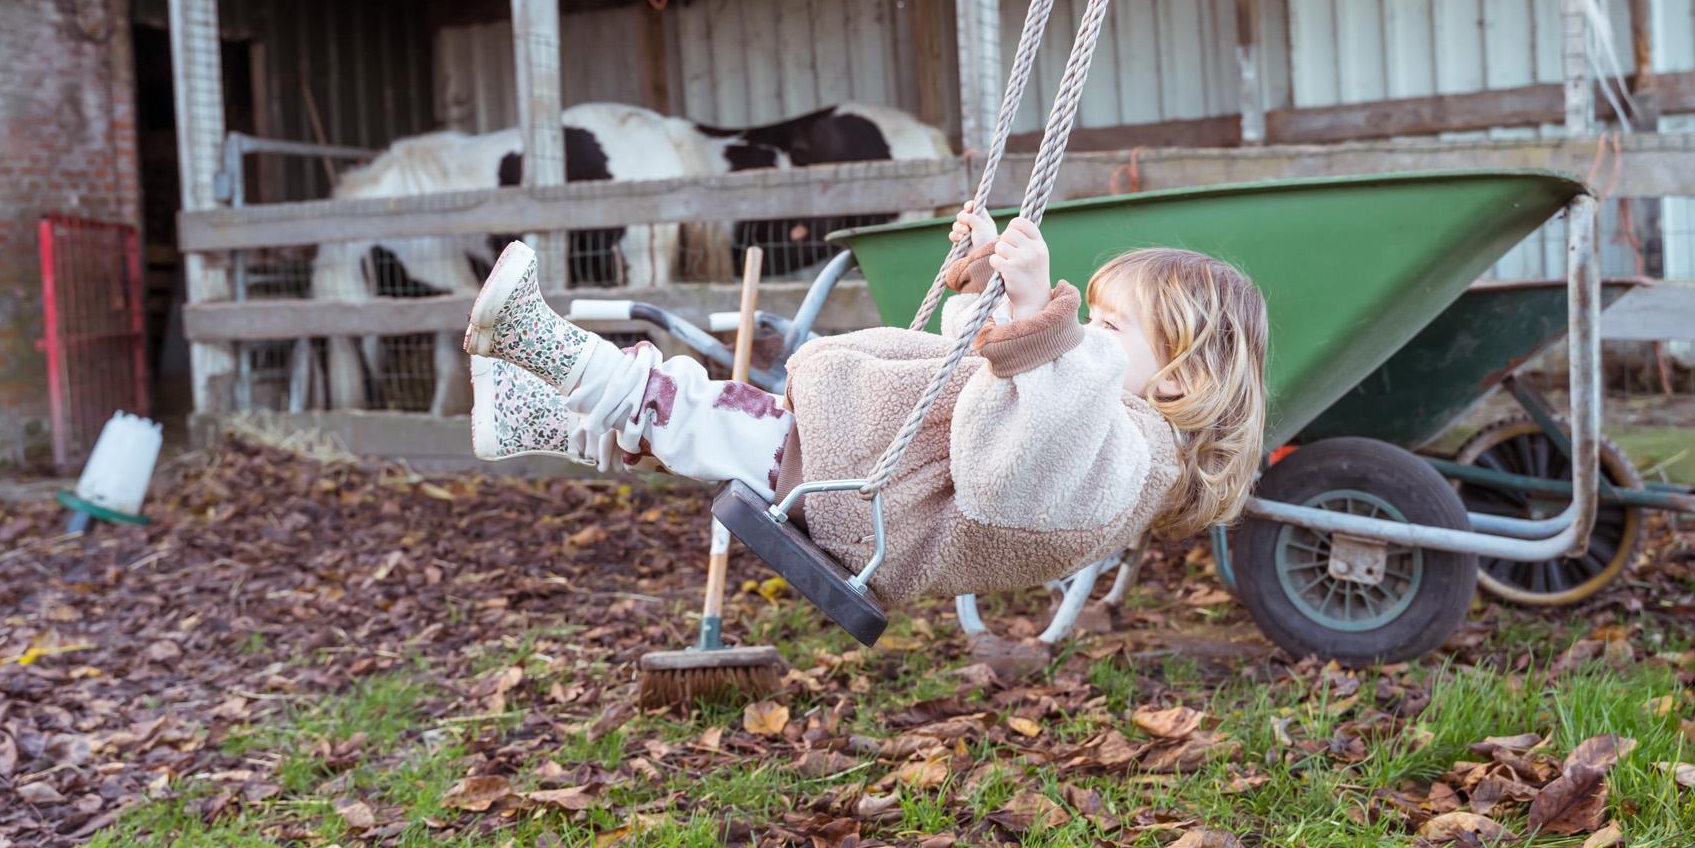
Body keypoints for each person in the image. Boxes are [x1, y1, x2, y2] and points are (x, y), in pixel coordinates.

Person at [464, 208, 1269, 610]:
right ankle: (537, 420)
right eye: (1086, 322)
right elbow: (984, 390)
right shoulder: (1111, 422)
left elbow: (1009, 479)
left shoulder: (1128, 457)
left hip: (863, 494)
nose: (1084, 337)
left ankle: (545, 345)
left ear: (1177, 377)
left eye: (1109, 328)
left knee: (684, 406)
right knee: (697, 424)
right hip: (861, 473)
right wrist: (995, 284)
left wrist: (1043, 323)